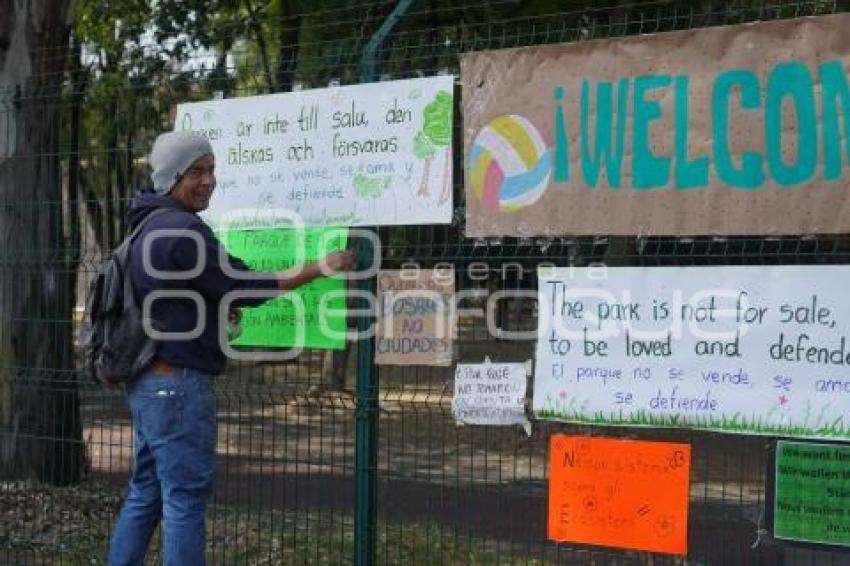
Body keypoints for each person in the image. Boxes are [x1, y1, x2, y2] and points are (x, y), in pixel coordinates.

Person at [107, 131, 355, 565]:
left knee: (147, 493)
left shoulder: (149, 224)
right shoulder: (181, 229)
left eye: (212, 169)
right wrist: (321, 266)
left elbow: (188, 291)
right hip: (178, 386)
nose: (208, 181)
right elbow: (246, 285)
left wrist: (214, 306)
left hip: (150, 383)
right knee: (185, 500)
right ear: (171, 177)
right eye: (196, 172)